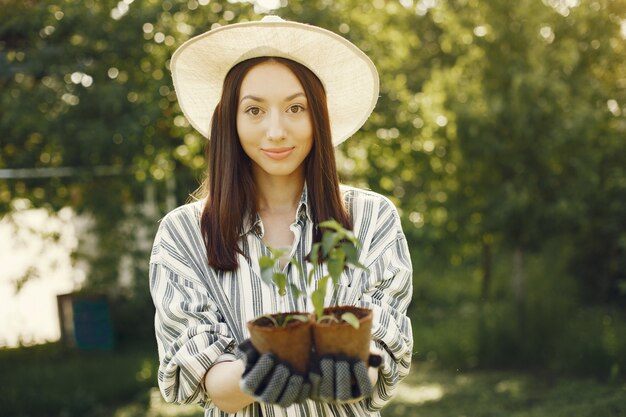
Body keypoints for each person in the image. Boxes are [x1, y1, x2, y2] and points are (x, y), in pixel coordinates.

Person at [149, 15, 413, 417]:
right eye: (254, 110)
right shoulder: (184, 233)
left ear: (318, 116)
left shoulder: (371, 218)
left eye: (295, 107)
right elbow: (213, 383)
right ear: (230, 121)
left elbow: (372, 366)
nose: (276, 131)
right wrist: (302, 358)